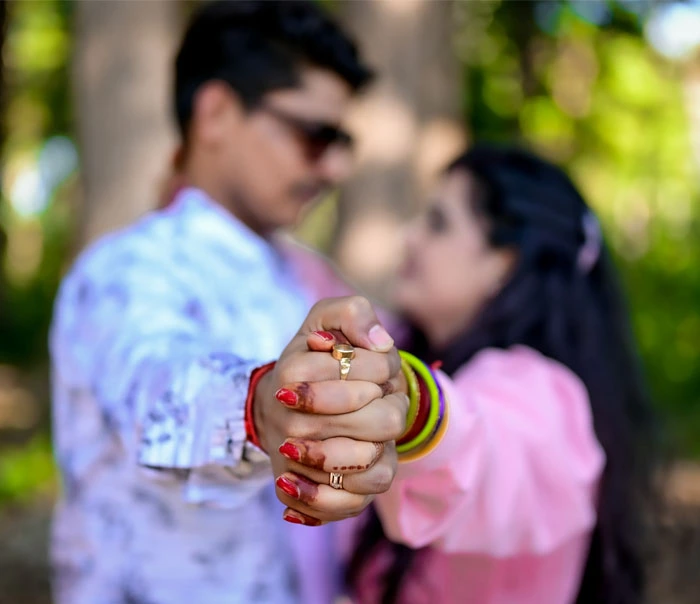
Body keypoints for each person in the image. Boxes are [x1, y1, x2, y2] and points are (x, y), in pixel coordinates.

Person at [49, 2, 407, 603]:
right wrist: (257, 407)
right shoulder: (125, 268)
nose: (336, 166)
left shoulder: (298, 280)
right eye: (315, 135)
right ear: (215, 113)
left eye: (342, 140)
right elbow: (152, 380)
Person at [281, 145, 657, 603]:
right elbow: (324, 291)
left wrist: (412, 408)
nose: (411, 236)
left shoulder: (541, 392)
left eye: (438, 222)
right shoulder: (428, 351)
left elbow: (489, 448)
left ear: (504, 263)